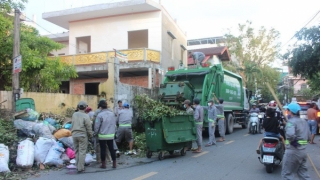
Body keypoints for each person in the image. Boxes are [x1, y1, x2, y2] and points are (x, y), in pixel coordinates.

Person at [281, 103, 311, 179]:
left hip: (293, 151)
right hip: (303, 151)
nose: (286, 111)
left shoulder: (290, 122)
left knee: (287, 174)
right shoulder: (304, 121)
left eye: (287, 110)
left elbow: (290, 135)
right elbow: (309, 137)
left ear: (290, 111)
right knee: (303, 174)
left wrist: (294, 142)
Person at [71, 101, 93, 173]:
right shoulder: (86, 116)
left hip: (74, 135)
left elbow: (72, 124)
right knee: (82, 151)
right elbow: (88, 127)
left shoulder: (74, 114)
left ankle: (77, 165)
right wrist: (90, 135)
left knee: (76, 150)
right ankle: (81, 168)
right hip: (82, 135)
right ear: (85, 107)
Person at [94, 100, 117, 169]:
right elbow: (114, 125)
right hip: (111, 135)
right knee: (111, 149)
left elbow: (96, 126)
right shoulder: (112, 114)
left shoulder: (99, 115)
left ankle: (103, 164)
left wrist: (95, 133)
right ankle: (114, 164)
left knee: (103, 150)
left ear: (100, 107)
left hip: (102, 135)